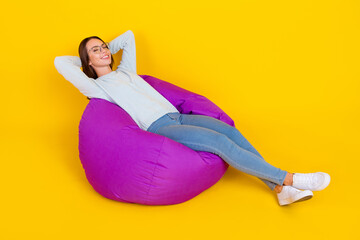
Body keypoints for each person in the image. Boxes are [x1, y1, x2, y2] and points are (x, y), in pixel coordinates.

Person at [54, 30, 331, 206]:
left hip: (178, 117)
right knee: (218, 144)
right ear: (87, 62)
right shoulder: (96, 88)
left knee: (229, 132)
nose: (103, 51)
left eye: (103, 46)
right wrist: (85, 62)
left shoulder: (127, 72)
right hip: (159, 127)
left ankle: (279, 188)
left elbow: (127, 36)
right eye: (95, 50)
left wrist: (106, 49)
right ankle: (291, 179)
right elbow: (59, 62)